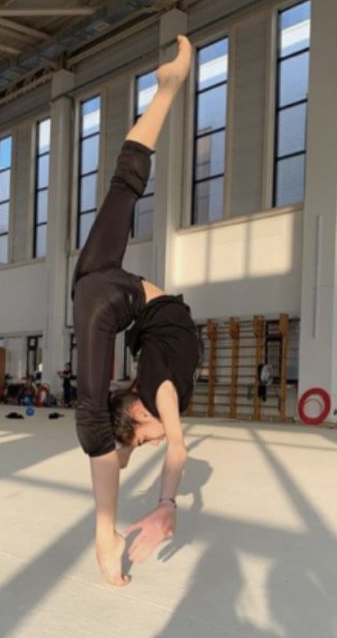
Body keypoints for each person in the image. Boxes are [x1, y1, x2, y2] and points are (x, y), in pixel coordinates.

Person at [71, 35, 201, 586]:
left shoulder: (158, 391)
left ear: (144, 412)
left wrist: (167, 501)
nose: (150, 441)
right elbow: (136, 444)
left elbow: (175, 448)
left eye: (141, 434)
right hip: (97, 280)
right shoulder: (147, 392)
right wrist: (126, 453)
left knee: (93, 420)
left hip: (111, 296)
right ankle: (168, 89)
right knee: (126, 179)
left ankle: (104, 540)